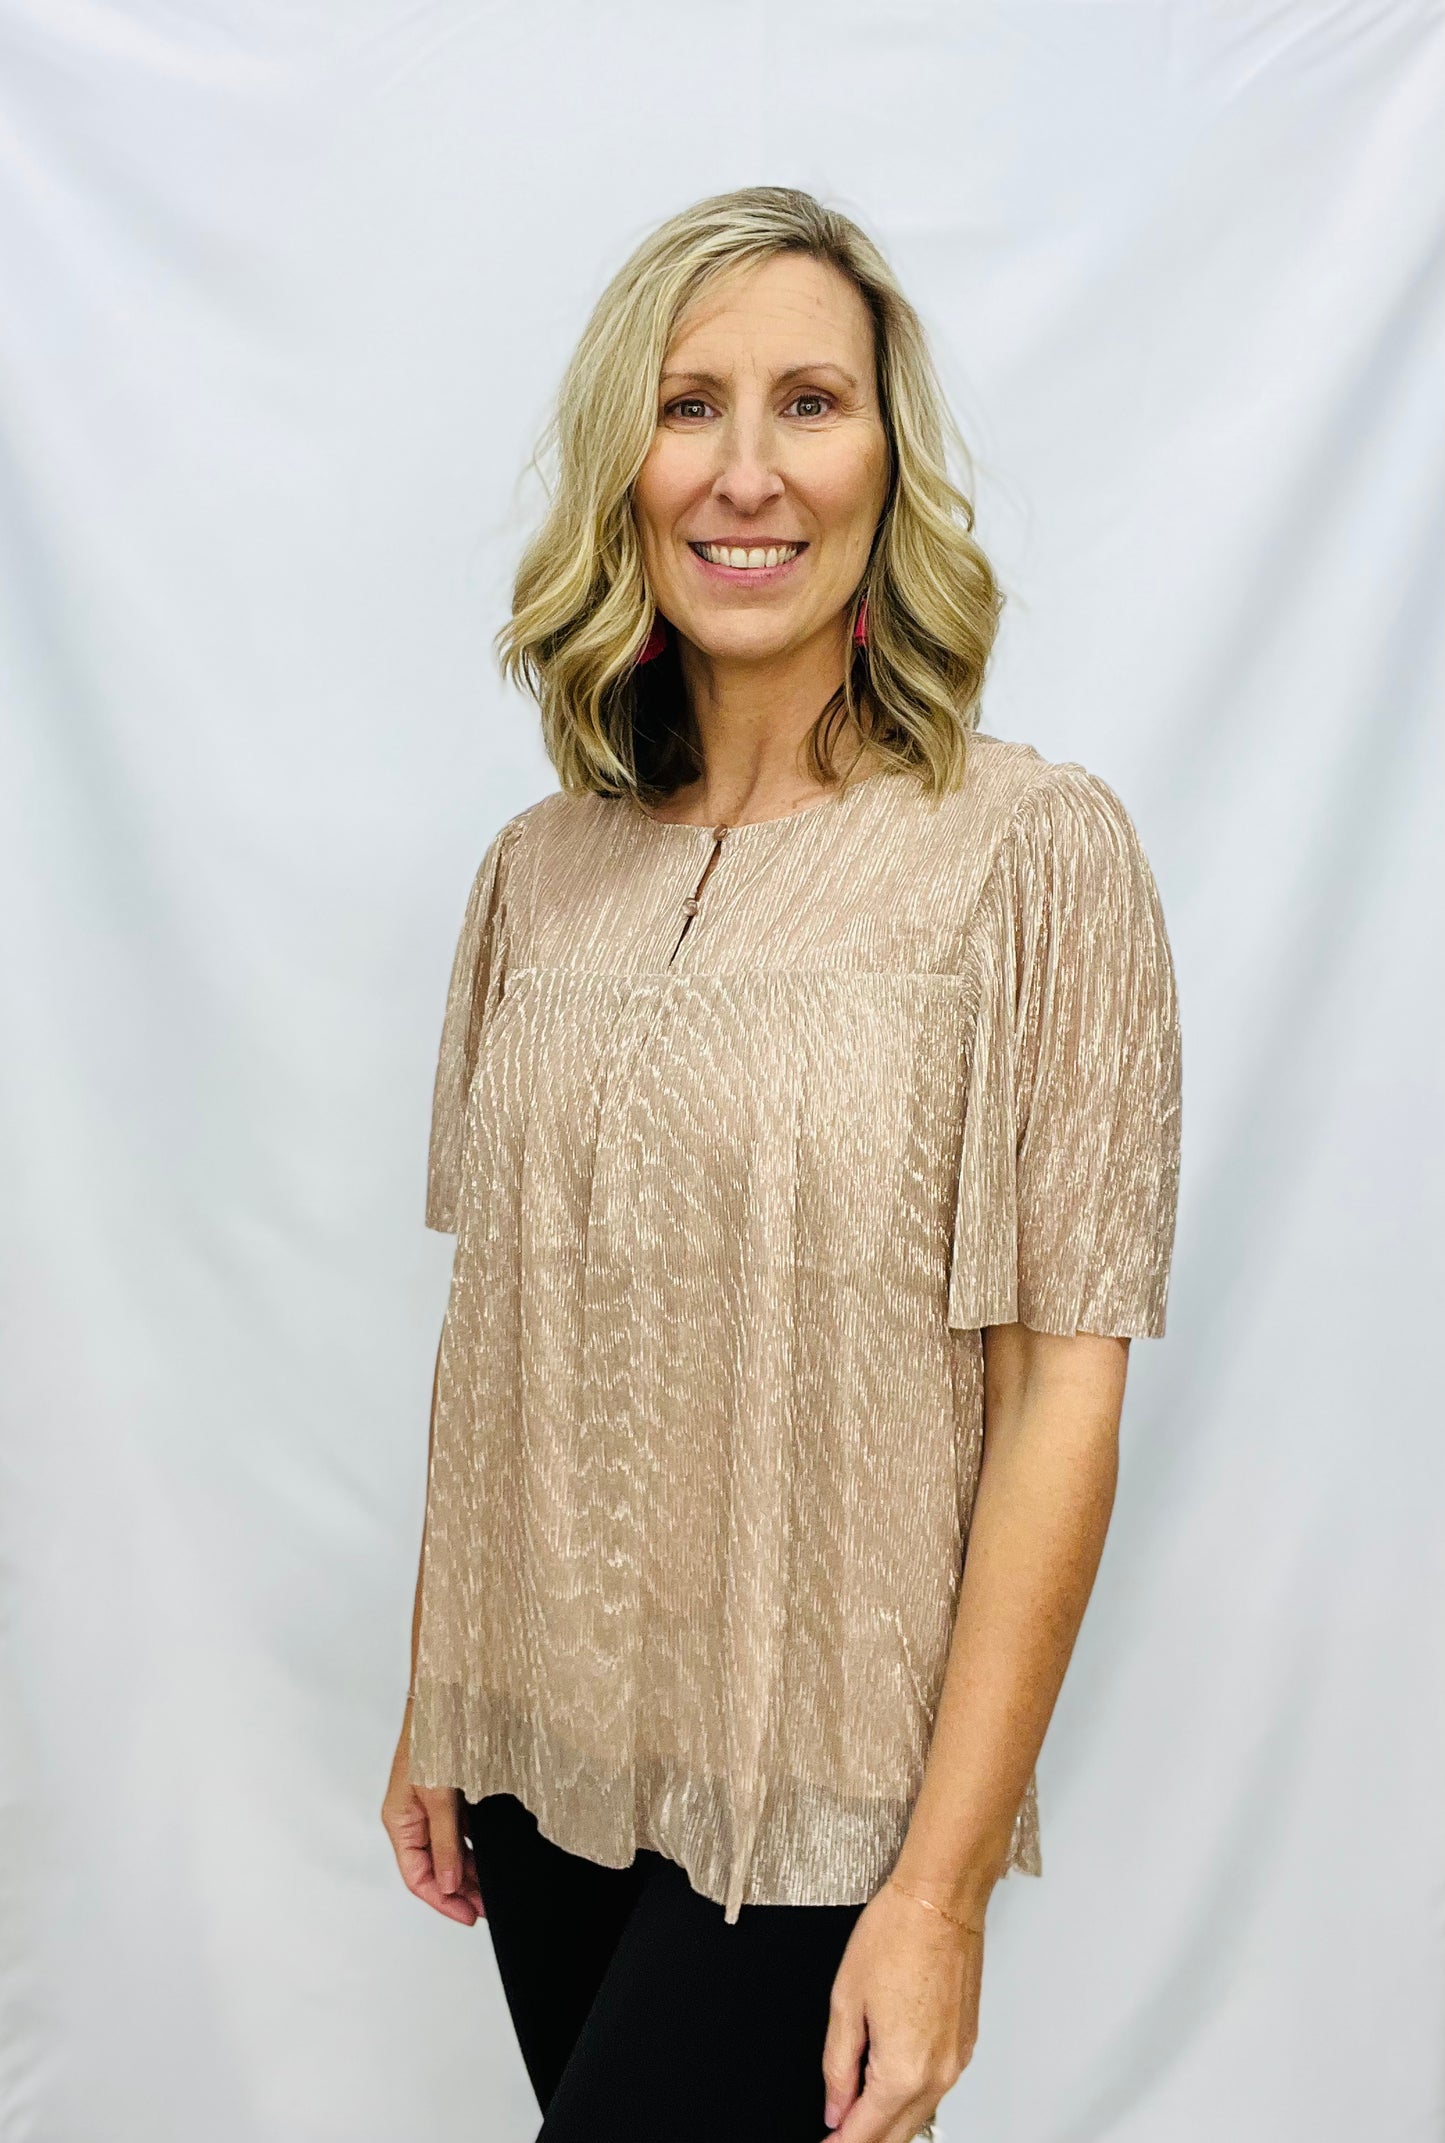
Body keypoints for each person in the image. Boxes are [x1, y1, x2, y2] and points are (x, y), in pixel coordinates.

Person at [381, 185, 1182, 2143]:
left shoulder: (1031, 856)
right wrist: (438, 1686)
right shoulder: (538, 872)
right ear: (625, 467)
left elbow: (1058, 1391)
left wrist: (940, 1892)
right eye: (690, 406)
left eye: (809, 403)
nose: (747, 470)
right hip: (541, 1756)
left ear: (885, 464)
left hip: (831, 1800)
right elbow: (499, 1327)